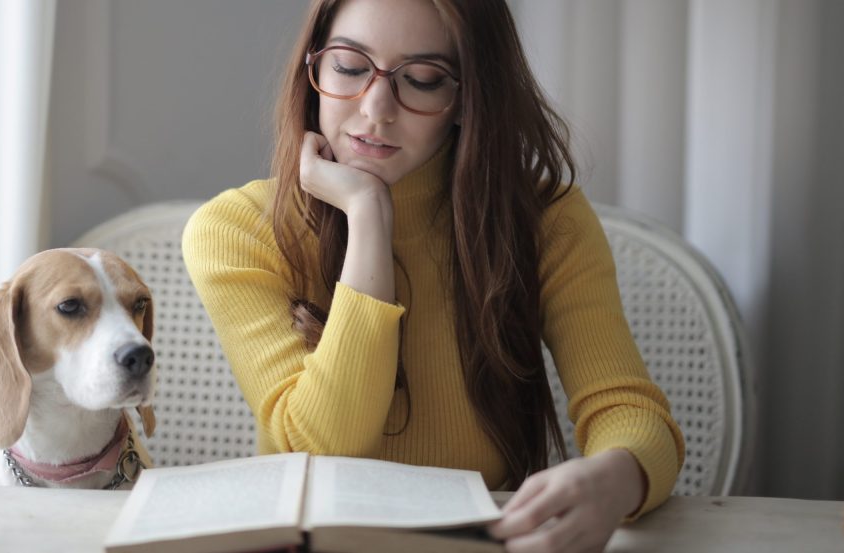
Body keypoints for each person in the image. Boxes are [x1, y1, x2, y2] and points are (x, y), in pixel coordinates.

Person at [182, 0, 684, 551]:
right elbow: (323, 447)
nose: (376, 109)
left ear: (467, 97)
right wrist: (368, 215)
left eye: (422, 80)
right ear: (314, 70)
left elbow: (627, 409)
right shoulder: (236, 230)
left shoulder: (546, 221)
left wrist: (617, 479)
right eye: (350, 67)